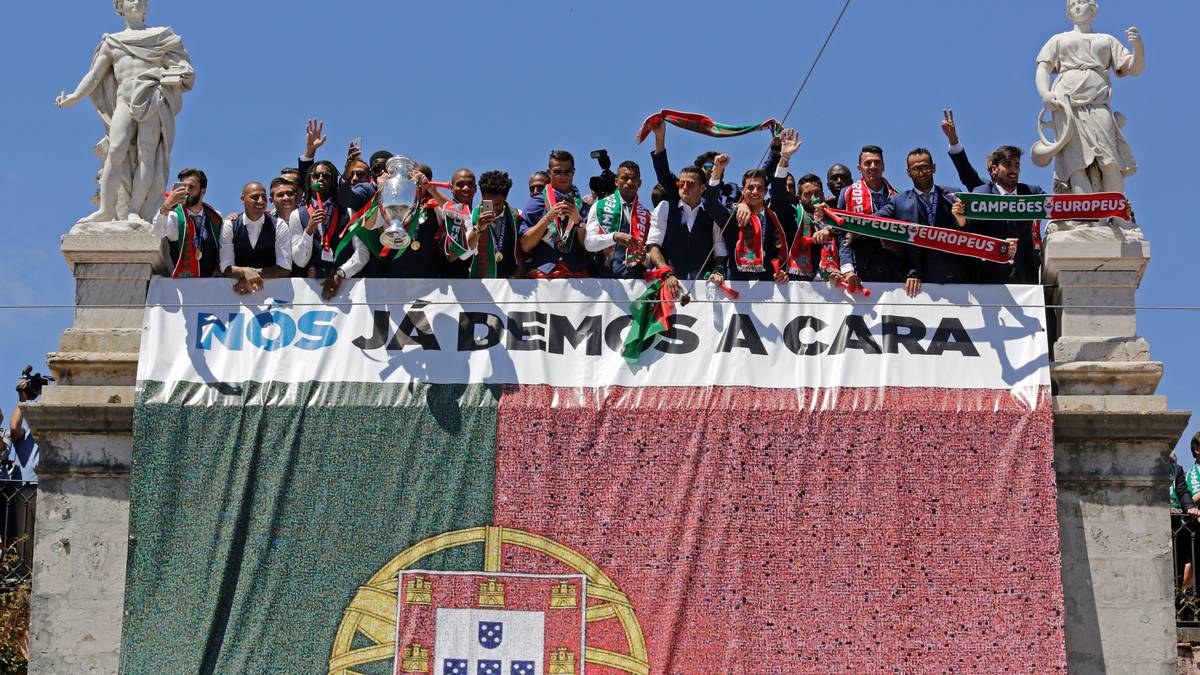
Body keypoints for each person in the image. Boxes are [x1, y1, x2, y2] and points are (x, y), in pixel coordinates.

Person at [54, 0, 195, 224]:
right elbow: (94, 76)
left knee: (146, 154)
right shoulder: (112, 41)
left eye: (142, 0)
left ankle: (135, 211)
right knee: (115, 150)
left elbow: (183, 67)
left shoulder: (162, 36)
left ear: (147, 7)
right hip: (124, 100)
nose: (137, 2)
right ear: (119, 7)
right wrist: (74, 96)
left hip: (152, 98)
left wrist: (185, 72)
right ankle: (106, 210)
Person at [1035, 0, 1144, 195]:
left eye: (1081, 2)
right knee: (1074, 163)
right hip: (1066, 105)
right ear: (1068, 12)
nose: (1076, 6)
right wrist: (1045, 94)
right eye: (1072, 4)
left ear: (1093, 8)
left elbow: (1133, 68)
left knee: (1110, 160)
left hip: (1098, 103)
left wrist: (1138, 47)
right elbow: (1043, 68)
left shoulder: (1106, 39)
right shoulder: (1059, 39)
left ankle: (1115, 213)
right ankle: (1085, 213)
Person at [941, 109, 1047, 284]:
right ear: (994, 169)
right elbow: (970, 232)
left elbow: (1058, 207)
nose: (1013, 170)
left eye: (1017, 165)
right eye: (1007, 165)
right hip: (990, 278)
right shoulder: (981, 193)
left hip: (1027, 277)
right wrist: (961, 218)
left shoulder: (1032, 193)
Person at [868, 148, 968, 292]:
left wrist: (961, 220)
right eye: (915, 169)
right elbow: (871, 221)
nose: (921, 173)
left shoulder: (953, 195)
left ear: (934, 168)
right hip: (919, 281)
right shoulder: (898, 201)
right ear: (908, 173)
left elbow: (973, 234)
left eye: (925, 167)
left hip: (958, 279)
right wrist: (833, 223)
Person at [645, 122, 727, 295]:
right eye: (681, 183)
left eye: (690, 184)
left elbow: (719, 250)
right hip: (669, 288)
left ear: (702, 188)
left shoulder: (712, 213)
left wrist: (718, 271)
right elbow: (653, 246)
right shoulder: (666, 208)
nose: (684, 187)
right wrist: (666, 272)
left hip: (705, 292)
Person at [831, 146, 908, 290]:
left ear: (883, 166)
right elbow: (842, 235)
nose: (872, 166)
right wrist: (847, 269)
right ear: (859, 168)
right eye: (867, 163)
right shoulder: (847, 193)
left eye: (877, 162)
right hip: (862, 270)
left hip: (896, 271)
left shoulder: (898, 196)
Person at [289, 160, 369, 295]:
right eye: (316, 176)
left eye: (326, 176)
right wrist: (309, 229)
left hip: (346, 288)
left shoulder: (348, 212)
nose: (320, 178)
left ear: (333, 181)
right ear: (309, 181)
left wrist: (341, 274)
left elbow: (363, 253)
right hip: (309, 293)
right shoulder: (297, 215)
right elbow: (300, 261)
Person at [708, 156, 788, 284]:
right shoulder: (732, 215)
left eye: (760, 188)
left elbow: (775, 254)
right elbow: (712, 206)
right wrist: (717, 171)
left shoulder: (774, 218)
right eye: (750, 188)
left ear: (766, 191)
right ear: (742, 190)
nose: (755, 192)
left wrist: (784, 158)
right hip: (737, 284)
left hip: (768, 286)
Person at [520, 150, 589, 278]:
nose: (563, 176)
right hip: (543, 276)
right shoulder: (536, 203)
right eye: (557, 172)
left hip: (577, 277)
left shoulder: (583, 207)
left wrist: (578, 221)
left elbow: (588, 247)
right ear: (549, 172)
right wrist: (547, 218)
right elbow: (525, 245)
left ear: (573, 172)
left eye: (567, 171)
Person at [220, 182, 291, 294]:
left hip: (273, 295)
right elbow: (225, 267)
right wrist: (245, 271)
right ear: (243, 199)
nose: (261, 201)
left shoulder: (279, 225)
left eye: (263, 197)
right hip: (237, 295)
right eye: (255, 197)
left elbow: (284, 269)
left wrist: (248, 275)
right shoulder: (229, 225)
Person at [584, 161, 651, 279]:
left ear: (639, 183)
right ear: (616, 181)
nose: (629, 182)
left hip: (636, 283)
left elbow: (652, 257)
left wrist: (645, 257)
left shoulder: (646, 215)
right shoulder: (599, 206)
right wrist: (614, 236)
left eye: (633, 179)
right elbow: (589, 244)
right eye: (625, 178)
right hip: (604, 282)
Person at [151, 167, 221, 278]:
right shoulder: (174, 215)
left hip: (210, 286)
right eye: (183, 186)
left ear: (203, 191)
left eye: (191, 187)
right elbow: (156, 233)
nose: (186, 190)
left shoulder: (215, 216)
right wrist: (165, 207)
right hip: (182, 286)